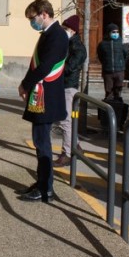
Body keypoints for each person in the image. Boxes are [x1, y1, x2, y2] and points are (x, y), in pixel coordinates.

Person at [16, 0, 68, 203]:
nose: (32, 22)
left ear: (43, 14)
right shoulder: (49, 34)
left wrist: (25, 84)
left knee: (42, 144)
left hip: (46, 98)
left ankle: (46, 189)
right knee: (40, 142)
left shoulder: (57, 35)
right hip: (42, 96)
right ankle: (41, 182)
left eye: (33, 18)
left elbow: (45, 67)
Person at [54, 15, 86, 167]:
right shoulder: (66, 44)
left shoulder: (78, 48)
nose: (63, 31)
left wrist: (54, 68)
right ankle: (76, 146)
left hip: (69, 87)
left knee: (65, 121)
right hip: (63, 86)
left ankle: (66, 153)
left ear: (73, 31)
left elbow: (70, 67)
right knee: (66, 120)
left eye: (65, 29)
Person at [97, 23, 129, 101]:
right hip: (108, 71)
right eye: (113, 32)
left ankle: (117, 109)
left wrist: (121, 64)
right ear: (109, 32)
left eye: (117, 32)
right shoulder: (102, 44)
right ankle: (108, 110)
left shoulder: (122, 43)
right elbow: (100, 56)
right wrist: (106, 63)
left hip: (119, 71)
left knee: (118, 91)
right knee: (108, 93)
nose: (115, 34)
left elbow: (126, 55)